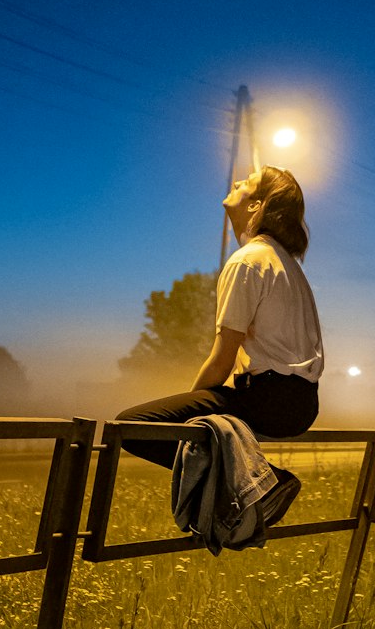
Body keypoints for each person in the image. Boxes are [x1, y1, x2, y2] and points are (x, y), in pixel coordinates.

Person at [116, 165, 324, 482]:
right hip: (304, 404)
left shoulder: (248, 260)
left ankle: (262, 481)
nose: (236, 181)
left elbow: (221, 360)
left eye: (247, 183)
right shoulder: (287, 265)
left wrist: (188, 421)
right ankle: (257, 481)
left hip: (268, 400)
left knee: (132, 427)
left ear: (257, 205)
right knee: (188, 428)